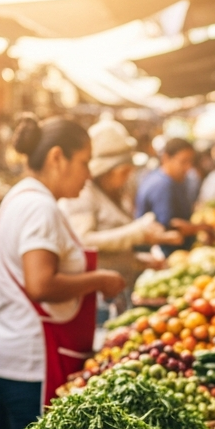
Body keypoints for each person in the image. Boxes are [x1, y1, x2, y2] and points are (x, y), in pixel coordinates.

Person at [0, 115, 127, 429]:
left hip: (19, 356)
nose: (89, 174)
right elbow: (40, 284)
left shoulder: (21, 197)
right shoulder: (39, 207)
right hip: (35, 363)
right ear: (56, 158)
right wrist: (101, 279)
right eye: (84, 162)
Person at [58, 120, 181, 307]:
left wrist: (138, 261)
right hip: (97, 298)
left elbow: (112, 248)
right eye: (123, 172)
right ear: (105, 171)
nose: (127, 177)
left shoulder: (116, 193)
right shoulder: (82, 193)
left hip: (118, 293)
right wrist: (138, 233)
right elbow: (83, 241)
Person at [134, 138, 197, 250]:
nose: (188, 167)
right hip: (160, 254)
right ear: (166, 158)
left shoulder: (176, 180)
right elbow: (169, 226)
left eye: (190, 162)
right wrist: (200, 228)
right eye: (183, 162)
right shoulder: (161, 185)